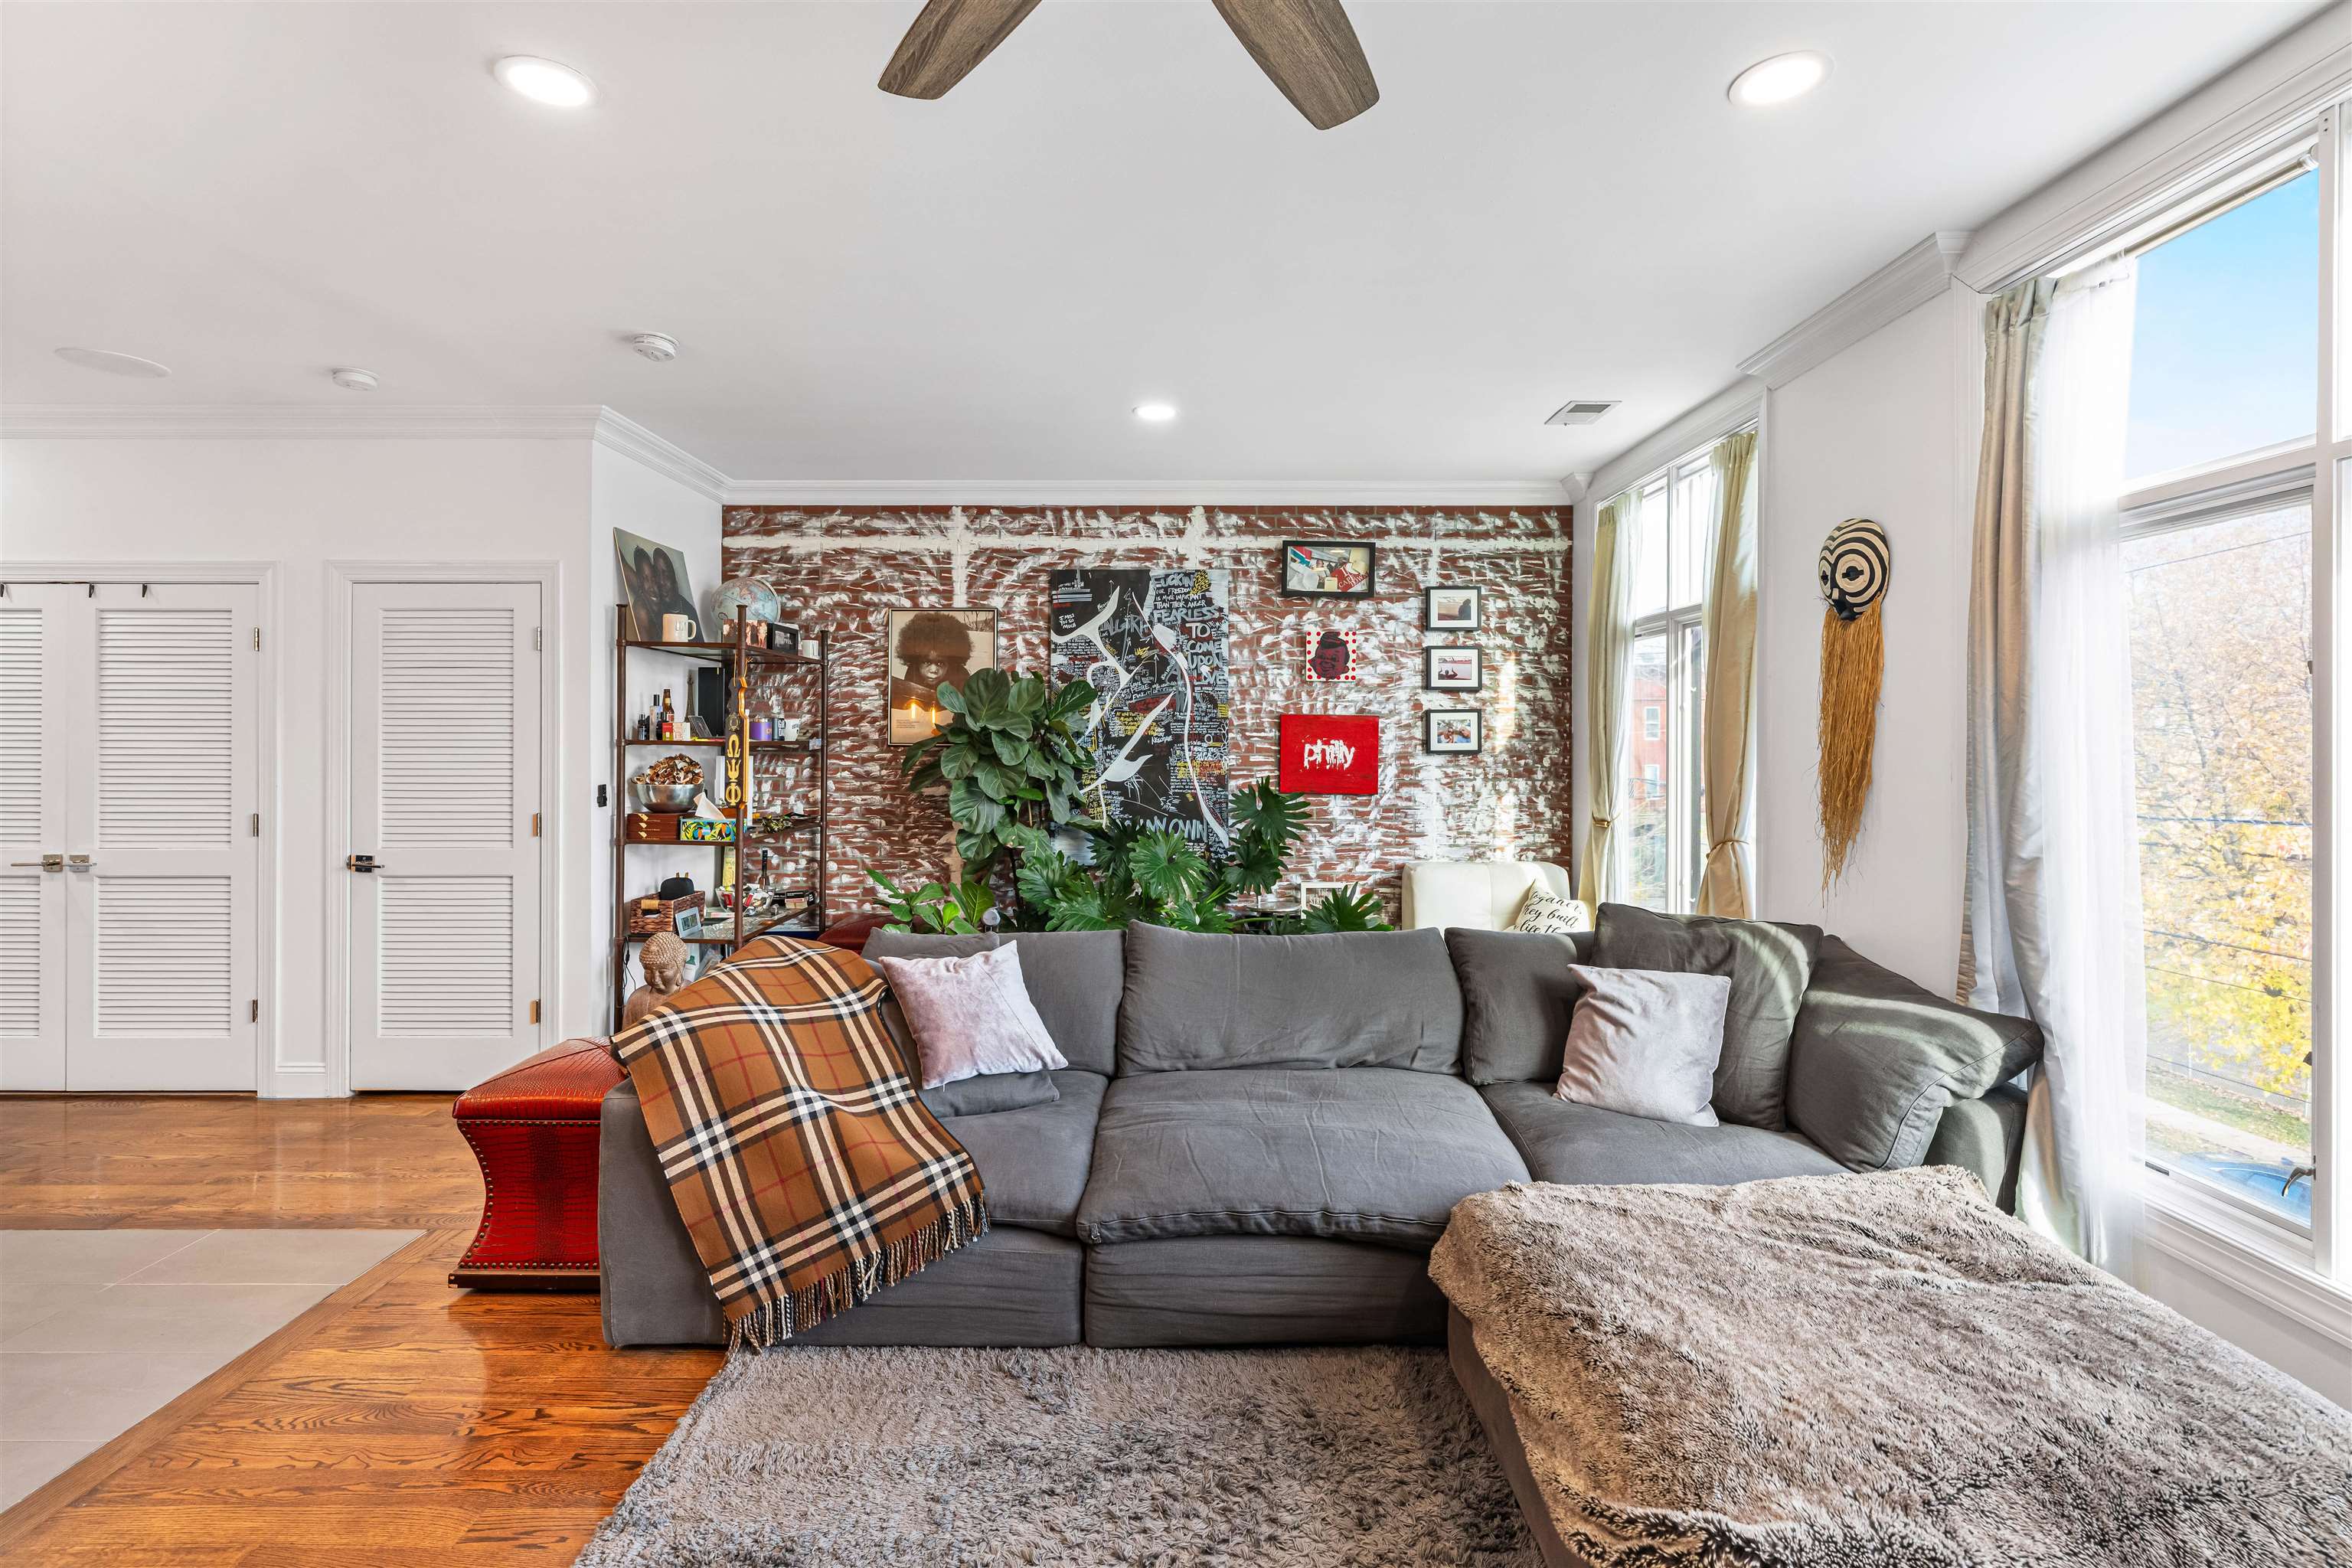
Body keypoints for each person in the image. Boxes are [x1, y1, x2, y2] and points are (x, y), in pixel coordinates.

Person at [890, 612, 975, 732]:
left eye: (941, 663)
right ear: (916, 660)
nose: (933, 670)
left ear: (951, 662)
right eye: (926, 662)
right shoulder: (913, 671)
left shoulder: (961, 677)